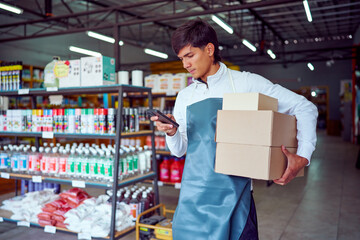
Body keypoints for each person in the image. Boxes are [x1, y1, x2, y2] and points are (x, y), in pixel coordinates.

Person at [151, 19, 318, 240]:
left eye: (190, 56)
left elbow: (305, 107)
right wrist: (172, 133)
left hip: (236, 199)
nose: (185, 64)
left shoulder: (245, 84)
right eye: (181, 58)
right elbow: (180, 151)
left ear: (209, 49)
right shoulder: (185, 97)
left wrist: (303, 156)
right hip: (194, 198)